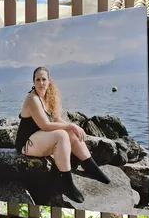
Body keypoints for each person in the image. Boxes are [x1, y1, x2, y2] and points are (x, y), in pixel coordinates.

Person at [14, 66, 112, 205]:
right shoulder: (32, 99)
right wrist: (71, 125)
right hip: (26, 144)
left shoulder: (47, 97)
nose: (41, 83)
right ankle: (66, 183)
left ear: (49, 81)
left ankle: (91, 168)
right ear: (33, 82)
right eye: (37, 80)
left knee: (70, 133)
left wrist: (73, 128)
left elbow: (57, 120)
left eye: (44, 79)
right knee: (61, 134)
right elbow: (46, 126)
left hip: (40, 139)